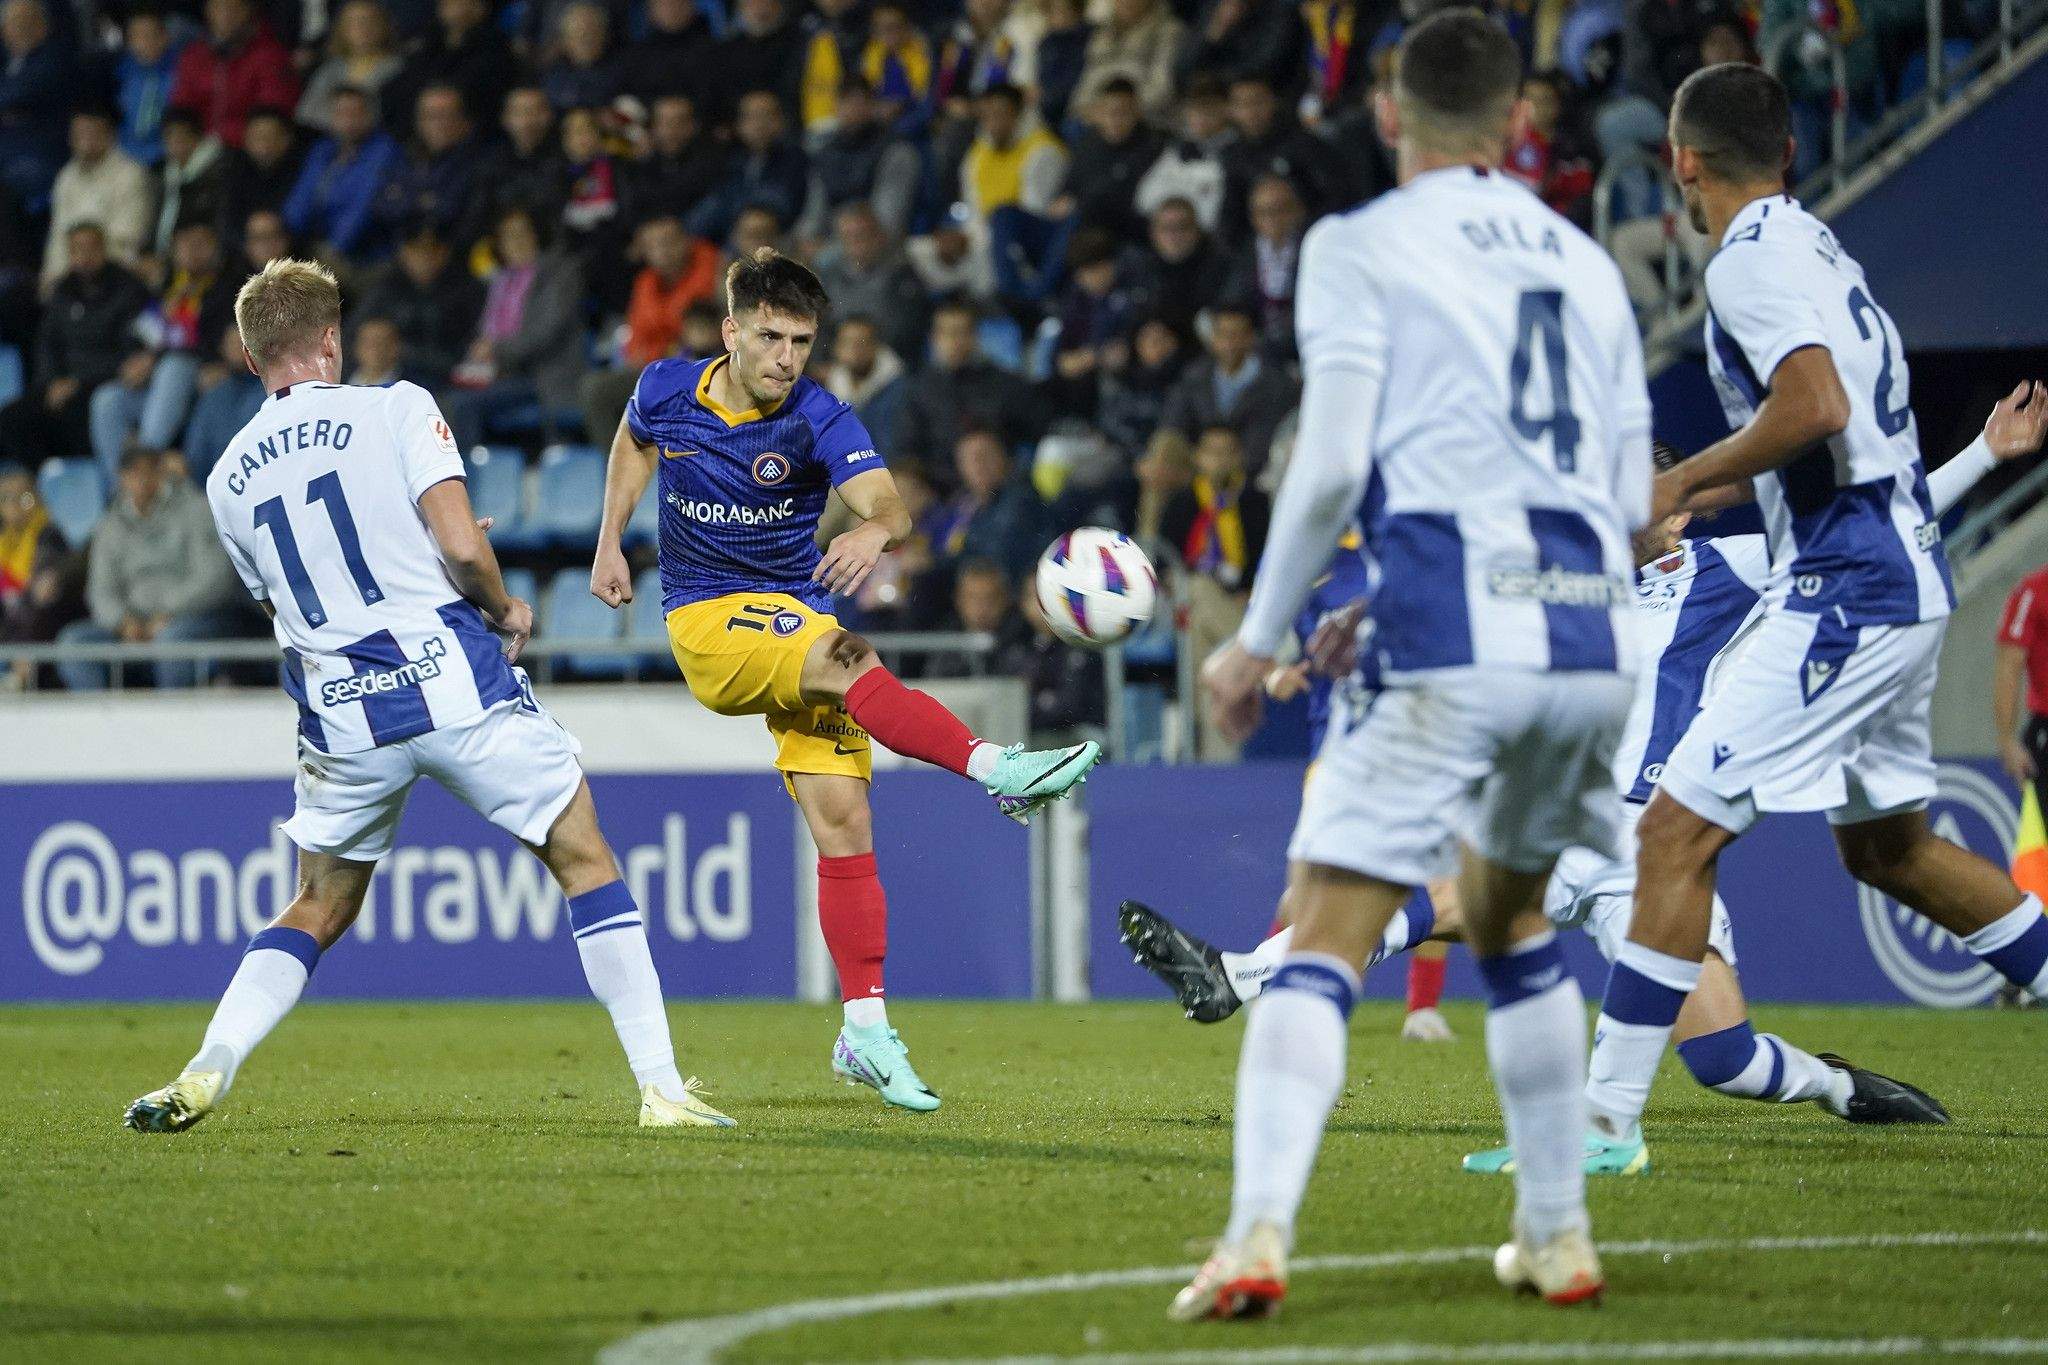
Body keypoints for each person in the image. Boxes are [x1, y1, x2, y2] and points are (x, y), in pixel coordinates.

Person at [1134, 394, 2048, 1163]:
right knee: (1451, 902)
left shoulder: (1731, 570)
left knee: (1720, 1057)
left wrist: (1983, 452)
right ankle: (1241, 974)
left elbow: (1883, 525)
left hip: (1659, 842)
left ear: (1678, 508)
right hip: (1590, 826)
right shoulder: (1571, 579)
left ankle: (1836, 1085)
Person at [1172, 10, 1652, 1320]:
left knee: (1325, 928)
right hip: (1587, 639)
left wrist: (1258, 639)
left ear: (1387, 113)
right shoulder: (1586, 259)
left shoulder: (1357, 244)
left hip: (1453, 626)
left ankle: (1257, 1235)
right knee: (1514, 920)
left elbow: (1328, 461)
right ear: (1517, 122)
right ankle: (1556, 1236)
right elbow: (1624, 493)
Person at [124, 258, 733, 1135]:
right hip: (449, 682)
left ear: (255, 360)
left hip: (344, 716)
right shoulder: (397, 405)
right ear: (332, 340)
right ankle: (663, 1089)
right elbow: (456, 546)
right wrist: (503, 601)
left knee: (319, 904)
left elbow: (290, 599)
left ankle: (207, 1064)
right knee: (583, 857)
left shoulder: (224, 479)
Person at [1595, 62, 2048, 1177]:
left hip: (1843, 593)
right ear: (1788, 153)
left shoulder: (1745, 262)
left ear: (1681, 163)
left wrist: (1676, 478)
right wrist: (1711, 491)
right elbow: (1835, 438)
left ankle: (1597, 1130)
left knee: (1666, 833)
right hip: (1898, 580)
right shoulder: (1816, 247)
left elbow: (1815, 407)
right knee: (1892, 854)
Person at [587, 249, 1103, 1112]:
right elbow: (634, 439)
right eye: (771, 337)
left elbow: (890, 505)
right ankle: (997, 771)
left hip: (793, 618)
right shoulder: (668, 388)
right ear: (731, 331)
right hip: (710, 620)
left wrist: (874, 534)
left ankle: (863, 1031)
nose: (787, 356)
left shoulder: (821, 415)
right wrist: (610, 537)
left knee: (845, 820)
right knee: (847, 655)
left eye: (802, 340)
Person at [55, 445, 248, 691]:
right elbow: (100, 590)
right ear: (121, 478)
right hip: (131, 626)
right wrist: (123, 622)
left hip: (191, 617)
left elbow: (214, 578)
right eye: (133, 474)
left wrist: (168, 612)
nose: (141, 481)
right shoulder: (110, 525)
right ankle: (99, 723)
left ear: (161, 472)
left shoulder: (195, 509)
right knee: (74, 643)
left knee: (171, 641)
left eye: (148, 472)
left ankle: (171, 723)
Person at [42, 108, 154, 291]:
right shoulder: (66, 177)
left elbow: (129, 239)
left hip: (113, 274)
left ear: (110, 135)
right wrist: (52, 277)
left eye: (92, 133)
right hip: (68, 276)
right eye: (79, 134)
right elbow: (57, 237)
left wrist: (84, 261)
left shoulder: (131, 175)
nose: (86, 141)